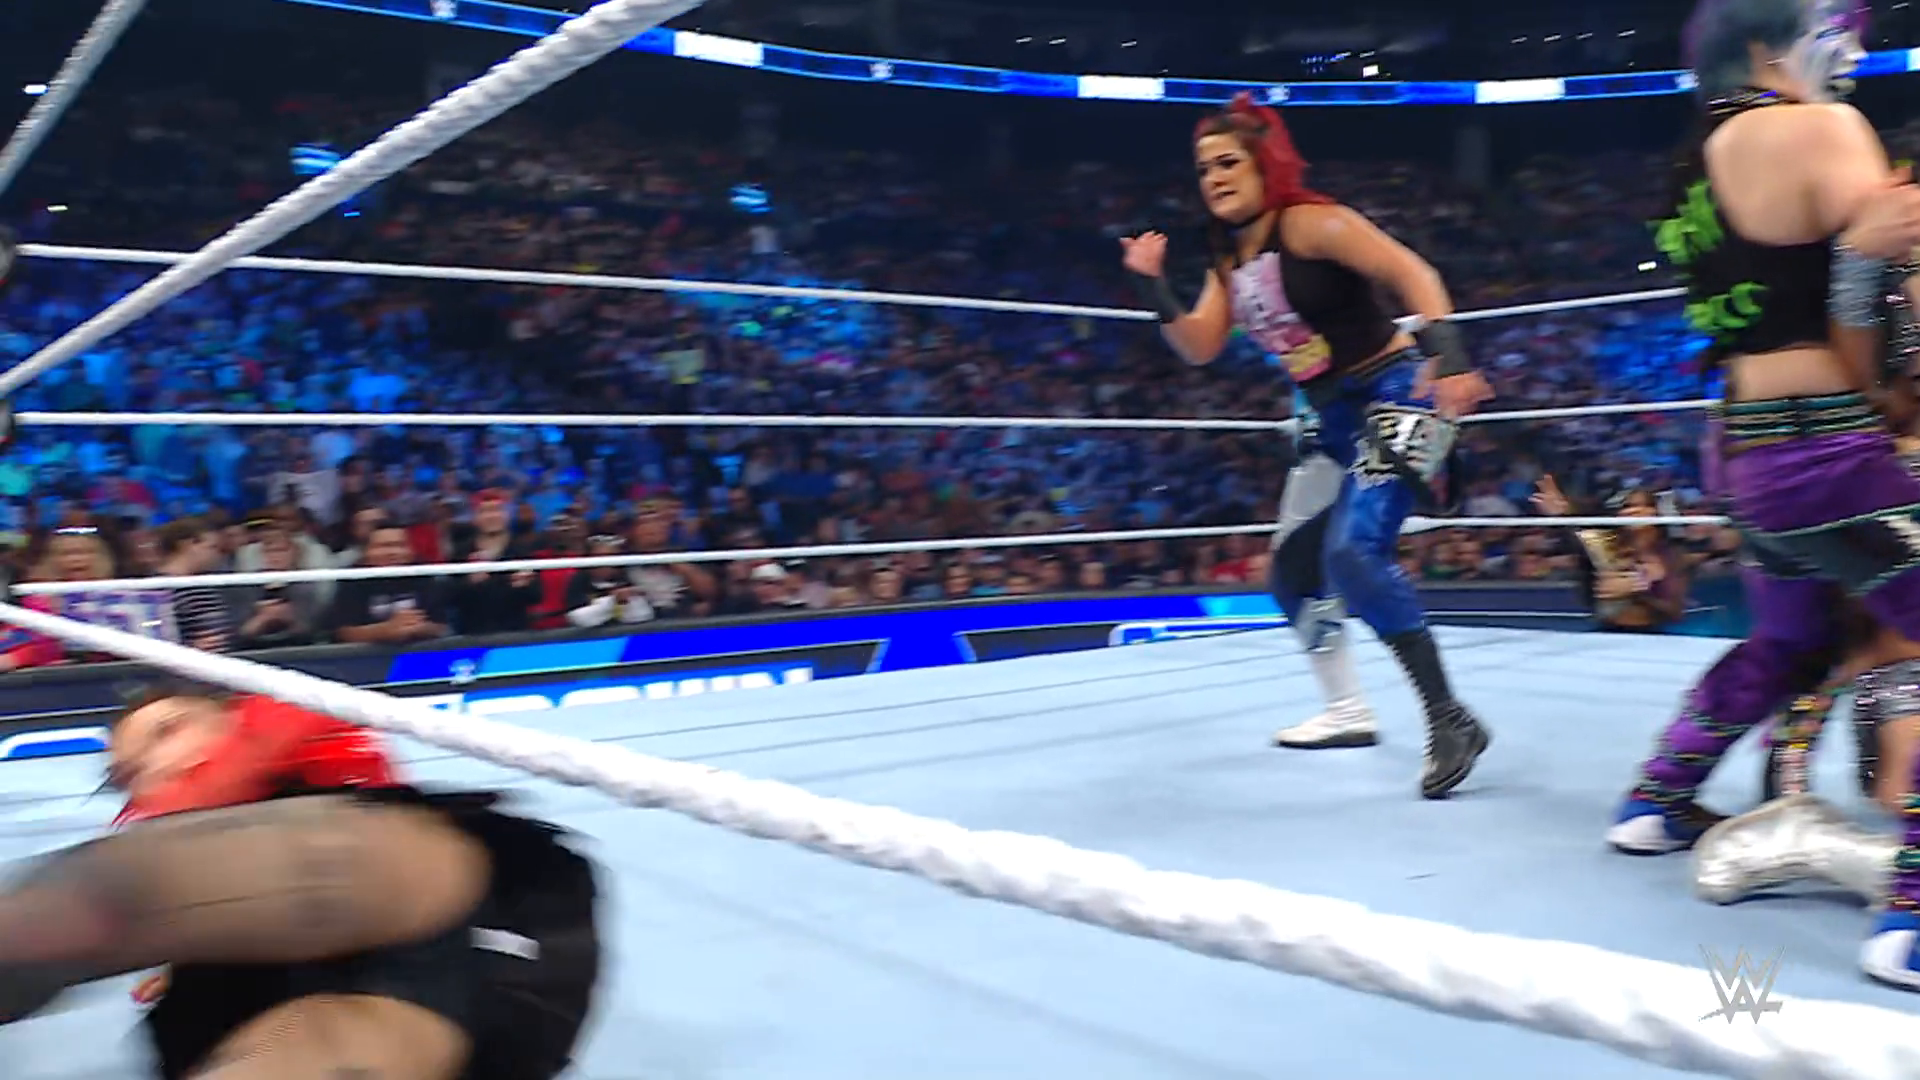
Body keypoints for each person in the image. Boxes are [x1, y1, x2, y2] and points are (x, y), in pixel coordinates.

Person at [1604, 0, 1920, 991]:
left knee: (1787, 640)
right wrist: (1876, 273)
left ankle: (1657, 800)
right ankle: (1912, 919)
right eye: (1835, 23)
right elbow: (1880, 321)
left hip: (1748, 452)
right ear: (1762, 46)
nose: (1855, 46)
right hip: (1831, 448)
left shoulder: (1694, 163)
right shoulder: (1825, 128)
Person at [1119, 92, 1496, 798]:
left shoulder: (1313, 222)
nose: (1215, 178)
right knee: (1292, 571)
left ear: (1264, 164)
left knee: (1354, 552)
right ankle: (1347, 709)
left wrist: (1450, 359)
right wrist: (1152, 288)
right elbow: (1199, 345)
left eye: (1228, 163)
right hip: (1329, 415)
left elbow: (1414, 273)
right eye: (1204, 169)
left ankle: (1449, 717)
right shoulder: (1228, 255)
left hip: (1399, 395)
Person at [0, 678, 603, 1078]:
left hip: (464, 923)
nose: (157, 765)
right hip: (348, 1007)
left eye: (168, 730)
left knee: (109, 894)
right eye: (131, 774)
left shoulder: (291, 737)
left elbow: (263, 754)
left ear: (226, 714)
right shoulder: (182, 879)